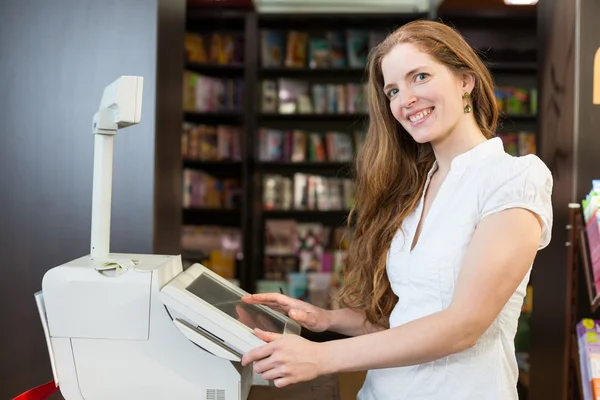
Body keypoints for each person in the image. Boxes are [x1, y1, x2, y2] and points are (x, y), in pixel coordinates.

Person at [241, 19, 553, 399]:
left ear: (465, 80)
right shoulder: (417, 187)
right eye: (392, 90)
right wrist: (325, 320)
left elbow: (463, 326)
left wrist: (323, 357)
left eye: (419, 77)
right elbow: (409, 318)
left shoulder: (515, 179)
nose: (404, 100)